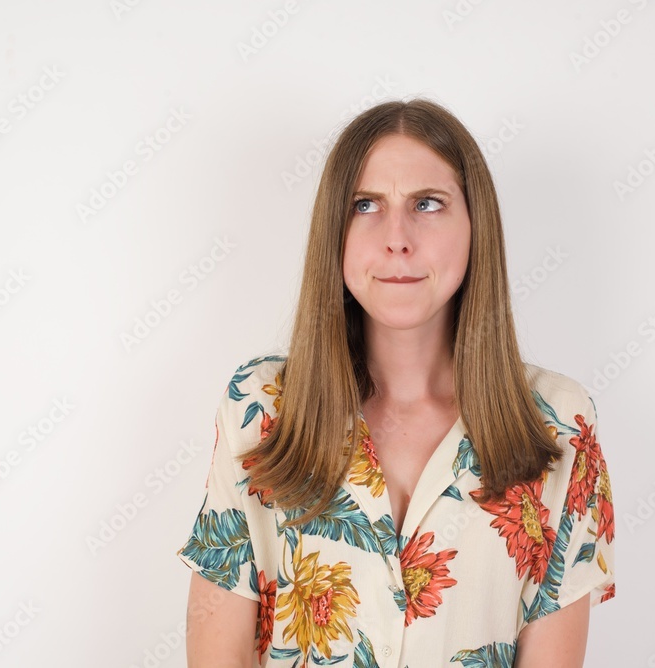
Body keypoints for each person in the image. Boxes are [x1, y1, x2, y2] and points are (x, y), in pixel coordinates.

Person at [175, 97, 616, 668]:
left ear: (475, 225)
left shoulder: (557, 424)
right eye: (365, 205)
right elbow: (219, 654)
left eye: (428, 204)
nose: (397, 238)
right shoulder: (260, 408)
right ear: (333, 228)